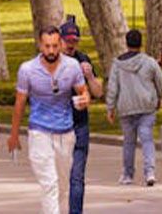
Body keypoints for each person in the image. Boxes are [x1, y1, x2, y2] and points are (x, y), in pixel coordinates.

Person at [8, 26, 89, 214]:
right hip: (39, 132)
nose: (51, 51)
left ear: (60, 44)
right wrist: (14, 135)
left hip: (66, 133)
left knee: (62, 185)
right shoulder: (27, 70)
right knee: (49, 184)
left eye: (54, 46)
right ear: (40, 45)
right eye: (47, 46)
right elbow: (19, 103)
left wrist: (85, 99)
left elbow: (83, 92)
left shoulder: (72, 66)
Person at [105, 29, 162, 186]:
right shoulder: (149, 62)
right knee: (147, 139)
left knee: (129, 142)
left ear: (126, 43)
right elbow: (160, 81)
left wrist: (110, 107)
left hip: (126, 107)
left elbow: (113, 87)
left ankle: (127, 173)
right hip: (146, 106)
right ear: (141, 43)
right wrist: (160, 96)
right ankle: (149, 172)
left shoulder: (118, 64)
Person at [59, 21, 103, 213]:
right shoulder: (52, 61)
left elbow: (98, 93)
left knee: (77, 176)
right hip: (57, 126)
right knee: (58, 177)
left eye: (74, 40)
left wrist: (91, 76)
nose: (71, 44)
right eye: (68, 40)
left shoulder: (83, 59)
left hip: (79, 125)